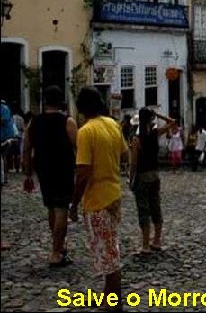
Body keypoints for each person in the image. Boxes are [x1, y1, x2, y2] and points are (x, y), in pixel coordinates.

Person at [69, 87, 129, 308]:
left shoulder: (86, 131)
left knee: (107, 252)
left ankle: (113, 301)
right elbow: (124, 153)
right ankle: (109, 296)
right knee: (110, 246)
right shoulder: (112, 124)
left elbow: (83, 172)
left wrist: (74, 203)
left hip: (97, 200)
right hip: (114, 194)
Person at [22, 86, 77, 266]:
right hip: (63, 168)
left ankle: (58, 246)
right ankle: (56, 251)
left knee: (52, 208)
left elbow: (28, 148)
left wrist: (28, 173)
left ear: (45, 102)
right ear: (61, 102)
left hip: (44, 169)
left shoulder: (34, 123)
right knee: (62, 209)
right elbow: (78, 148)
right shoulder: (68, 122)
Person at [129, 108, 176, 254]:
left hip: (142, 176)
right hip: (155, 175)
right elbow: (172, 122)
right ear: (151, 120)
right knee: (155, 206)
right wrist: (158, 114)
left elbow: (134, 163)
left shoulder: (137, 140)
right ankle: (156, 240)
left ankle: (145, 244)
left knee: (144, 210)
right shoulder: (155, 134)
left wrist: (131, 179)